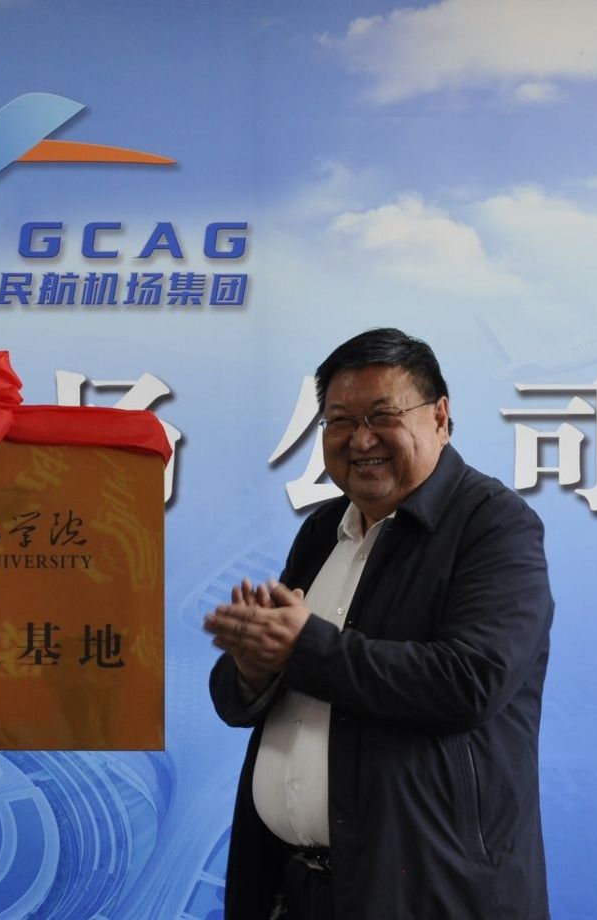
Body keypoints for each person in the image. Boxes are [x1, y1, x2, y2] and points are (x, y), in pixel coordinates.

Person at [204, 328, 552, 919]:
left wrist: (303, 646)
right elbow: (258, 688)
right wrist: (252, 669)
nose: (361, 439)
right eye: (340, 420)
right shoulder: (323, 530)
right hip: (294, 888)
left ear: (439, 416)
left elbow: (470, 681)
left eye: (383, 416)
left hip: (426, 895)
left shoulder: (494, 525)